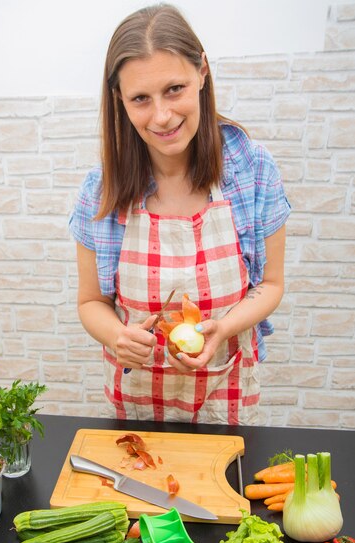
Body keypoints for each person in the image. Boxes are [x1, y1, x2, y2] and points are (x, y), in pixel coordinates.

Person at [69, 3, 290, 424]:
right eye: (140, 99)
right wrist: (118, 335)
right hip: (134, 409)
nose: (163, 116)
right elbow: (91, 302)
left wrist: (222, 329)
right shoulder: (102, 189)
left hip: (225, 401)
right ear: (120, 100)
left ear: (202, 72)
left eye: (174, 89)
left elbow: (273, 284)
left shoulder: (252, 169)